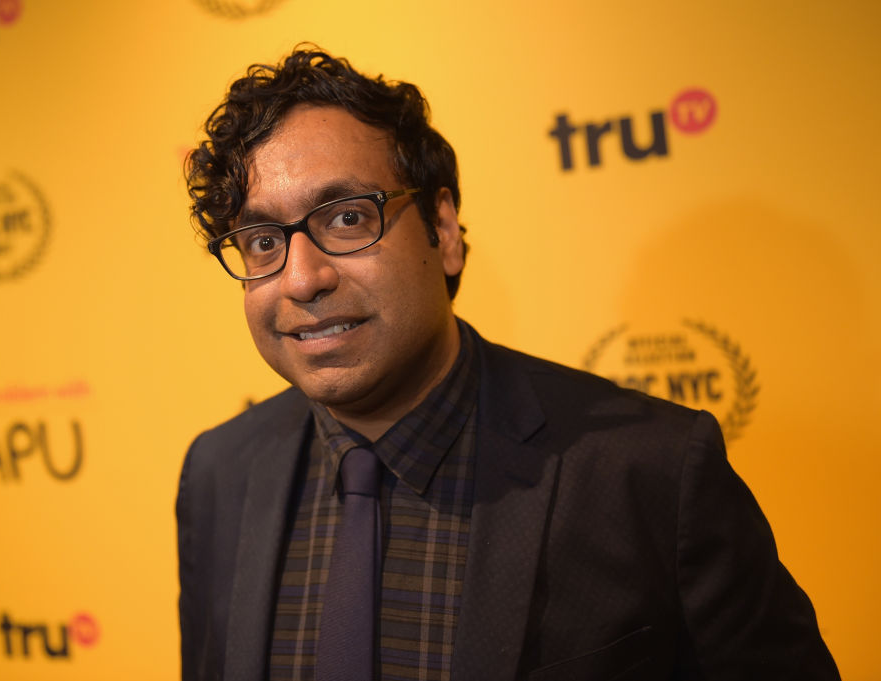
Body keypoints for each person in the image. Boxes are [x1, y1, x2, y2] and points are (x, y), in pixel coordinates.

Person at [177, 46, 839, 681]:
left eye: (348, 218)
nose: (301, 278)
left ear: (443, 231)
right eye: (263, 241)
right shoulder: (217, 473)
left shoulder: (653, 472)